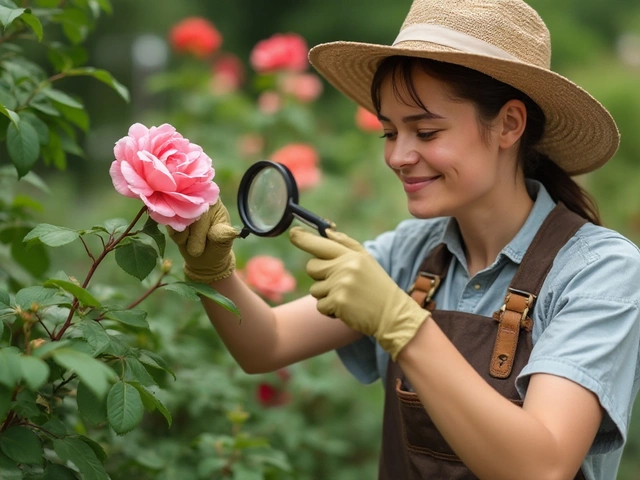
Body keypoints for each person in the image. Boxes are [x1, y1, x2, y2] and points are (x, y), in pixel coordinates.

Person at [168, 0, 640, 478]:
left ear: (509, 125)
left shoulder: (599, 272)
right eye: (389, 133)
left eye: (426, 131)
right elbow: (265, 345)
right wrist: (213, 271)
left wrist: (404, 325)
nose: (398, 156)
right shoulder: (411, 252)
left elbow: (543, 467)